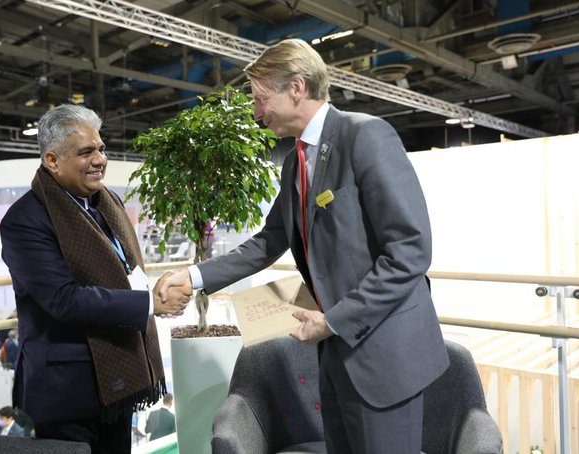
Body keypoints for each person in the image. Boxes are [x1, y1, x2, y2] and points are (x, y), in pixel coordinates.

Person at [160, 39, 449, 454]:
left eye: (262, 98)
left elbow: (409, 252)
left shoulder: (365, 136)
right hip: (335, 355)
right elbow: (268, 241)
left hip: (384, 357)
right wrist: (193, 275)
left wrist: (333, 320)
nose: (257, 112)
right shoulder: (296, 160)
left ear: (297, 87)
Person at [0, 104, 192, 454]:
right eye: (86, 152)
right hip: (67, 392)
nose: (100, 159)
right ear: (52, 161)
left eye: (101, 148)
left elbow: (125, 269)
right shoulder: (24, 220)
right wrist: (150, 302)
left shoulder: (107, 203)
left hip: (118, 379)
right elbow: (63, 299)